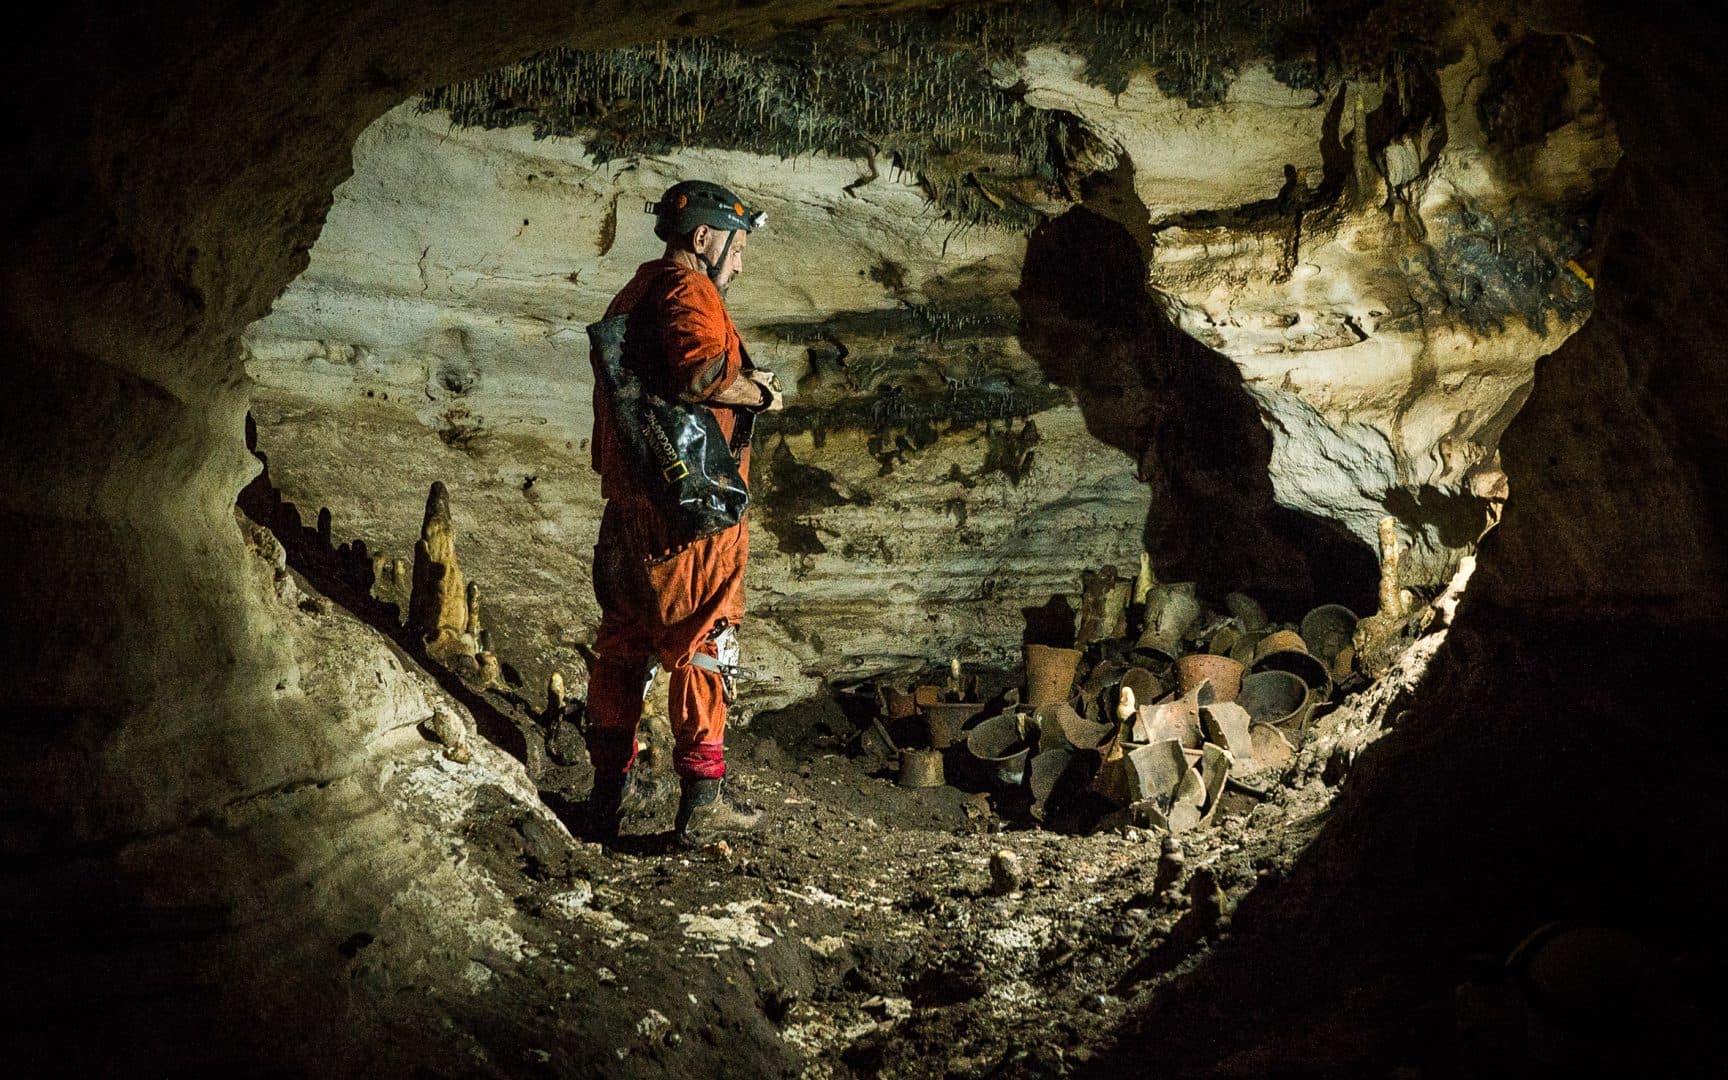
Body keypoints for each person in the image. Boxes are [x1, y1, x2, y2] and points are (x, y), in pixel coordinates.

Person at [583, 180, 783, 846]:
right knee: (704, 641)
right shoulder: (686, 290)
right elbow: (701, 375)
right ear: (705, 237)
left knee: (623, 645)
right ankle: (702, 804)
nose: (741, 262)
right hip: (688, 516)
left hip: (629, 510)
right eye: (739, 245)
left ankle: (607, 795)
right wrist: (759, 394)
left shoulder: (633, 292)